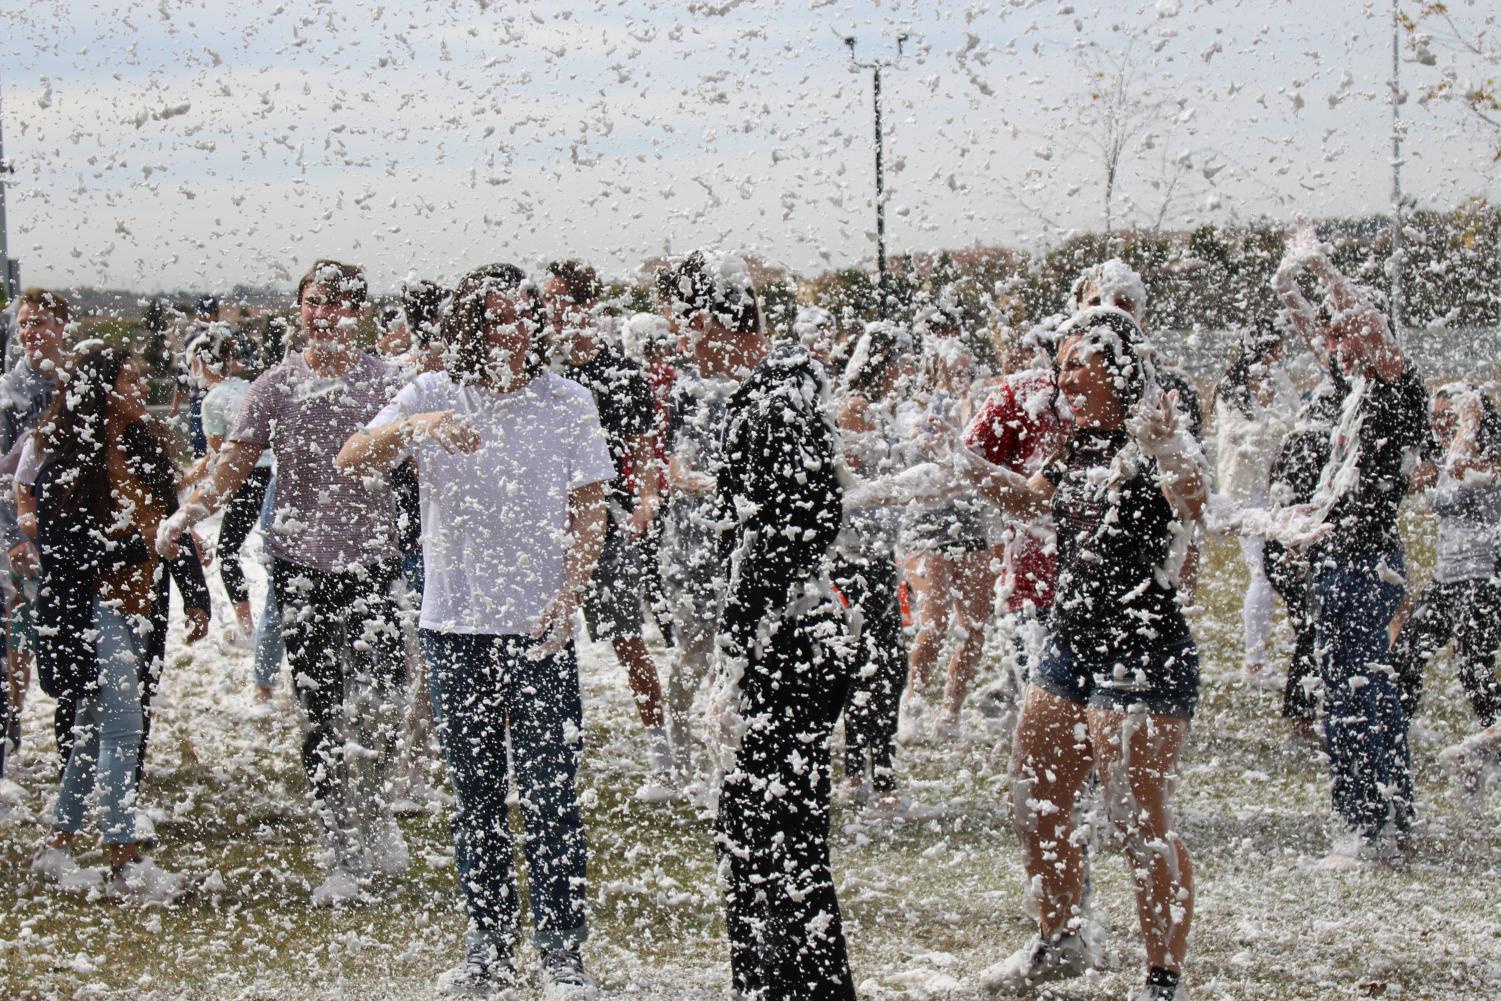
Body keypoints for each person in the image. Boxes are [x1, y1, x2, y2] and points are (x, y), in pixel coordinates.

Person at [337, 263, 610, 998]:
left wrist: (571, 590)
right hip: (454, 624)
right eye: (495, 318)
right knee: (477, 795)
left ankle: (561, 956)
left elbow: (590, 505)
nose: (514, 329)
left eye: (523, 315)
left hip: (539, 625)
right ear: (465, 326)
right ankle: (488, 948)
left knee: (552, 794)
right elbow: (351, 454)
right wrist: (418, 425)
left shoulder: (568, 399)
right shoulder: (431, 390)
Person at [972, 308, 1205, 1001]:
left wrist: (1166, 451)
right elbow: (1026, 498)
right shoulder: (1076, 446)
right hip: (1069, 646)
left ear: (1117, 368)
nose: (1061, 376)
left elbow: (1191, 500)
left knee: (1138, 819)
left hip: (1143, 653)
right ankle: (1060, 937)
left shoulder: (1154, 437)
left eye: (1077, 362)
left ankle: (1161, 976)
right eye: (1060, 364)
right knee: (1033, 790)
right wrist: (962, 465)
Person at [158, 259, 408, 904]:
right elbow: (236, 461)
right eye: (315, 302)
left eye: (341, 303)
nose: (326, 314)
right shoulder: (274, 384)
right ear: (300, 309)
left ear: (360, 313)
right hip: (300, 567)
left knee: (380, 708)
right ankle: (340, 847)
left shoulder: (388, 381)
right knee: (323, 713)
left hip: (375, 564)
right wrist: (193, 508)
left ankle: (374, 808)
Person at [684, 250, 856, 1000]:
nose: (683, 343)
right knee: (770, 833)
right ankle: (784, 984)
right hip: (798, 641)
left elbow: (784, 537)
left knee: (763, 836)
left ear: (711, 320)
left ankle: (781, 988)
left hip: (787, 649)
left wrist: (732, 653)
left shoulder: (770, 402)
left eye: (684, 325)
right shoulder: (783, 387)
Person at [1273, 224, 1430, 866]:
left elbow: (1360, 321)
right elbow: (1326, 334)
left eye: (1346, 332)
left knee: (1350, 695)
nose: (1335, 342)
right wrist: (1291, 288)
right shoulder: (1354, 393)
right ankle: (1392, 816)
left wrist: (1321, 264)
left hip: (1363, 564)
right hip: (1350, 558)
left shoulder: (1396, 389)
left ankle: (1362, 829)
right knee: (1367, 687)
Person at [21, 345, 187, 902]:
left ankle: (57, 848)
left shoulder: (144, 446)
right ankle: (123, 862)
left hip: (136, 608)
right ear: (102, 389)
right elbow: (65, 550)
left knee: (94, 734)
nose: (142, 387)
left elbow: (168, 522)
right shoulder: (67, 459)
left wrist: (190, 583)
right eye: (131, 378)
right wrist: (139, 547)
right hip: (91, 610)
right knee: (123, 729)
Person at [543, 260, 671, 781]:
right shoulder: (542, 370)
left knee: (626, 637)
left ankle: (660, 752)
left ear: (586, 306)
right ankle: (545, 753)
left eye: (562, 300)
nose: (553, 311)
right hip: (546, 522)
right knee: (535, 634)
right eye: (548, 300)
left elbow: (644, 447)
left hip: (605, 522)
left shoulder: (620, 372)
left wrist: (644, 502)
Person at [1388, 384, 1501, 787]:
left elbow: (1452, 482)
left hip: (1487, 576)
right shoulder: (1444, 457)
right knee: (1404, 656)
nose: (1440, 427)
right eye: (1435, 419)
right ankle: (1390, 741)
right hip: (1447, 577)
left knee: (1472, 665)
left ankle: (1493, 745)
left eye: (1449, 418)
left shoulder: (1487, 458)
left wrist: (1468, 425)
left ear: (1473, 419)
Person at [896, 306, 991, 742]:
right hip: (926, 525)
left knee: (973, 624)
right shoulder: (915, 407)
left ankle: (950, 711)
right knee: (933, 620)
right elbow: (920, 457)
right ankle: (912, 700)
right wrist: (953, 429)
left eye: (967, 369)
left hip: (973, 524)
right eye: (955, 370)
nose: (962, 376)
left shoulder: (982, 406)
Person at [831, 321, 913, 805]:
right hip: (856, 558)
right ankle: (872, 777)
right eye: (901, 360)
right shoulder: (856, 410)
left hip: (876, 555)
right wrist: (901, 485)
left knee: (879, 663)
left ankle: (867, 774)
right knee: (877, 664)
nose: (907, 370)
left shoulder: (875, 409)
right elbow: (849, 486)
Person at [0, 289, 70, 787]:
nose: (31, 330)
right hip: (19, 536)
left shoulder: (77, 383)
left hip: (69, 534)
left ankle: (75, 739)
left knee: (68, 636)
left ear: (62, 327)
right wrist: (12, 538)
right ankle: (11, 731)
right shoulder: (10, 393)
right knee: (16, 641)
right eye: (24, 323)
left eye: (40, 321)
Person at [1211, 320, 1291, 686]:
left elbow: (1292, 428)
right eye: (1275, 349)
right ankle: (1254, 662)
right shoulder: (1232, 390)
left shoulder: (1282, 384)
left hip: (1278, 490)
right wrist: (1274, 429)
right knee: (1262, 572)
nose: (1279, 356)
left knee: (1276, 572)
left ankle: (1264, 656)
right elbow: (1240, 438)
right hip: (1245, 493)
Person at [183, 326, 273, 651]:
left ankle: (247, 628)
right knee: (274, 554)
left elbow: (219, 456)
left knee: (227, 552)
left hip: (249, 478)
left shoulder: (212, 401)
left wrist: (186, 483)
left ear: (205, 365)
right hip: (272, 474)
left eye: (194, 366)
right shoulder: (247, 388)